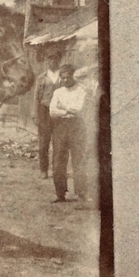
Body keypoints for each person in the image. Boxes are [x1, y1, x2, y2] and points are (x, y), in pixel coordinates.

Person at [49, 64, 89, 203]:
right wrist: (65, 112)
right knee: (58, 160)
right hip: (60, 126)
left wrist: (63, 107)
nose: (65, 80)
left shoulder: (81, 91)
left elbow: (79, 109)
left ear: (73, 76)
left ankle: (81, 193)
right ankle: (60, 193)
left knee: (78, 159)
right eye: (63, 77)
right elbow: (52, 111)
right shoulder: (58, 92)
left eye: (68, 77)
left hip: (76, 126)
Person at [34, 48, 63, 179]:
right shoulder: (42, 77)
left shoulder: (63, 76)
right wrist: (36, 114)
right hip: (44, 111)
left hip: (59, 112)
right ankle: (43, 170)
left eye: (55, 58)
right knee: (44, 142)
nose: (53, 61)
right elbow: (36, 97)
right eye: (50, 59)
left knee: (58, 142)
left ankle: (56, 170)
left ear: (59, 60)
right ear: (47, 61)